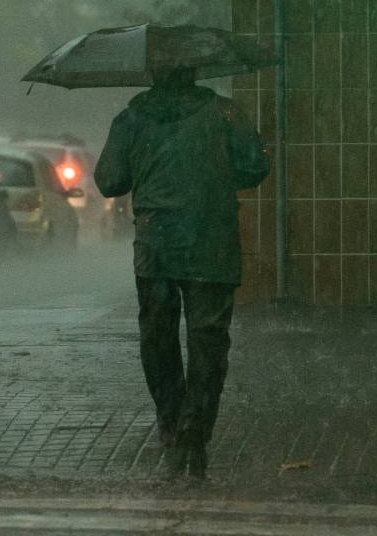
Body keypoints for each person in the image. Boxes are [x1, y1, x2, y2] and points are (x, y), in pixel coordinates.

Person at [94, 66, 270, 479]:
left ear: (153, 75)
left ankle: (171, 418)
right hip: (213, 243)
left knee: (158, 334)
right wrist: (215, 175)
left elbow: (109, 180)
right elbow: (256, 167)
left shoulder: (132, 118)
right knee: (208, 339)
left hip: (157, 246)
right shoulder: (226, 113)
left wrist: (147, 166)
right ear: (194, 73)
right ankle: (196, 425)